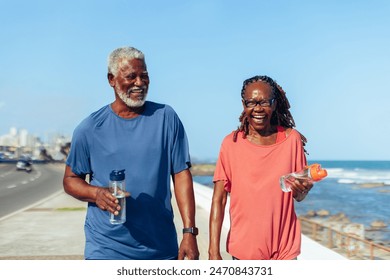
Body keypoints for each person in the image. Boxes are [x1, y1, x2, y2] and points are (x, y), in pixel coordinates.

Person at [63, 46, 199, 260]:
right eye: (131, 76)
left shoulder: (166, 118)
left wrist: (189, 232)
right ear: (111, 79)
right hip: (107, 248)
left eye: (144, 76)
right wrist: (96, 194)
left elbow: (181, 174)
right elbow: (71, 179)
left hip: (160, 248)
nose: (139, 83)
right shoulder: (90, 128)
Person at [208, 75, 313, 260]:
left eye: (264, 102)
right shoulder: (230, 144)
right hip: (243, 252)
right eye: (251, 102)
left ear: (274, 104)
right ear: (243, 104)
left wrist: (302, 190)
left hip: (284, 253)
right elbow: (219, 200)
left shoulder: (292, 140)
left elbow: (299, 196)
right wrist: (213, 251)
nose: (258, 109)